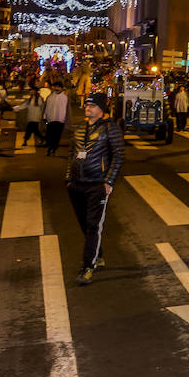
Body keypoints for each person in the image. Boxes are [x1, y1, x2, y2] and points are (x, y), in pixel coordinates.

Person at [67, 93, 124, 286]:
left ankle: (88, 267)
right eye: (87, 105)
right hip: (76, 184)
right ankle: (98, 255)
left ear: (101, 109)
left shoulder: (111, 129)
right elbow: (71, 153)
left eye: (92, 105)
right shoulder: (80, 128)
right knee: (85, 224)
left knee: (93, 226)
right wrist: (69, 177)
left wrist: (109, 181)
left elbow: (118, 156)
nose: (87, 108)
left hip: (97, 184)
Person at [43, 83, 69, 156]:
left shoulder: (65, 97)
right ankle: (49, 148)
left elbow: (67, 110)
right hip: (50, 119)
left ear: (62, 88)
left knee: (56, 136)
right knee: (49, 135)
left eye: (58, 87)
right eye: (55, 87)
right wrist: (45, 116)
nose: (57, 88)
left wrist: (67, 120)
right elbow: (46, 107)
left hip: (60, 120)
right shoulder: (50, 97)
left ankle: (53, 149)